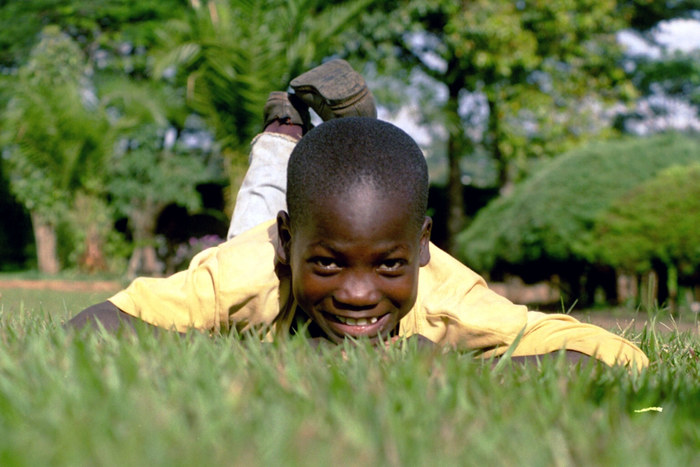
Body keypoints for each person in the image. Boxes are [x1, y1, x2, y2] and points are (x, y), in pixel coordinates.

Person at [67, 60, 648, 370]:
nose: (358, 294)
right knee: (253, 219)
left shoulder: (450, 301)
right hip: (270, 251)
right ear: (290, 243)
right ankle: (285, 131)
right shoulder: (246, 273)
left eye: (390, 267)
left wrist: (459, 370)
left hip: (324, 226)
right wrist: (215, 345)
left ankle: (346, 137)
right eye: (328, 264)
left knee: (332, 203)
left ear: (423, 246)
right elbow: (94, 326)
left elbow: (623, 357)